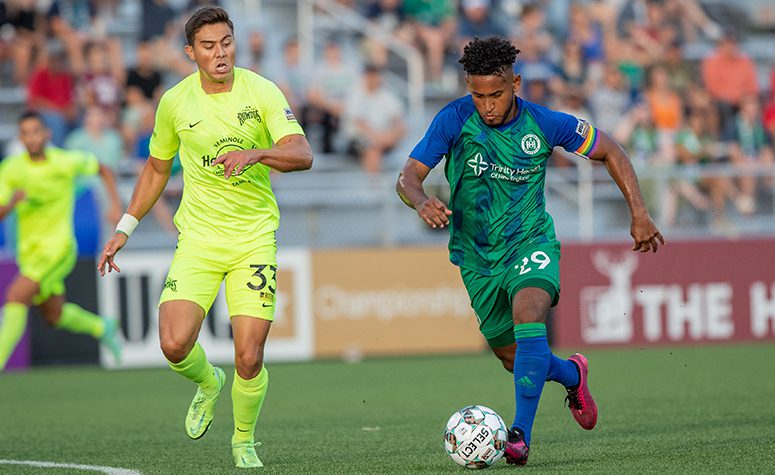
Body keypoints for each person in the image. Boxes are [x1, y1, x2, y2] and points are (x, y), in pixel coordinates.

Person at [396, 37, 664, 466]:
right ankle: (573, 373)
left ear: (515, 83)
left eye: (496, 95)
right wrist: (421, 198)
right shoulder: (453, 119)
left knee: (530, 313)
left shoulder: (544, 123)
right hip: (478, 258)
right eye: (478, 95)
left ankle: (519, 436)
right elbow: (408, 176)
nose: (487, 106)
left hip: (531, 243)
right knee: (514, 359)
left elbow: (611, 149)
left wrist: (639, 212)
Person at [97, 6, 312, 469]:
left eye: (227, 43)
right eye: (209, 46)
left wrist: (257, 153)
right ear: (190, 52)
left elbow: (302, 153)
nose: (220, 54)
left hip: (254, 238)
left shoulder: (262, 90)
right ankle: (209, 383)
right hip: (197, 239)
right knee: (174, 344)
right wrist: (124, 227)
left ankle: (243, 441)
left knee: (249, 355)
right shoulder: (175, 102)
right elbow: (156, 168)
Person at [0, 110, 123, 372]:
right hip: (30, 253)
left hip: (58, 249)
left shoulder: (63, 162)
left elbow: (102, 168)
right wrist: (11, 203)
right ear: (20, 138)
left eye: (36, 131)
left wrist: (114, 205)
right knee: (53, 315)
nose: (32, 138)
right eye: (26, 133)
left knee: (15, 295)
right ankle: (102, 327)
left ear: (47, 134)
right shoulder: (12, 169)